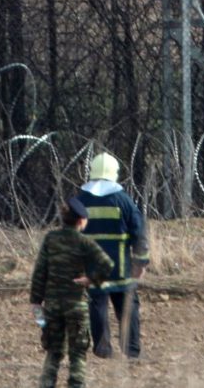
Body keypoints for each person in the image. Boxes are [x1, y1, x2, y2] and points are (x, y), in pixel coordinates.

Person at [30, 198, 115, 388]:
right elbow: (107, 264)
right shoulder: (84, 242)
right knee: (77, 354)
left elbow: (39, 272)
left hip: (51, 307)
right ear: (81, 221)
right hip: (76, 306)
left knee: (53, 352)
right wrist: (91, 279)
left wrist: (36, 302)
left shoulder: (50, 239)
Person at [77, 152, 150, 359]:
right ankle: (132, 350)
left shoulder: (80, 201)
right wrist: (141, 262)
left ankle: (102, 350)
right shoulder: (124, 201)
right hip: (120, 266)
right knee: (127, 307)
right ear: (114, 174)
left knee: (97, 306)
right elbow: (139, 234)